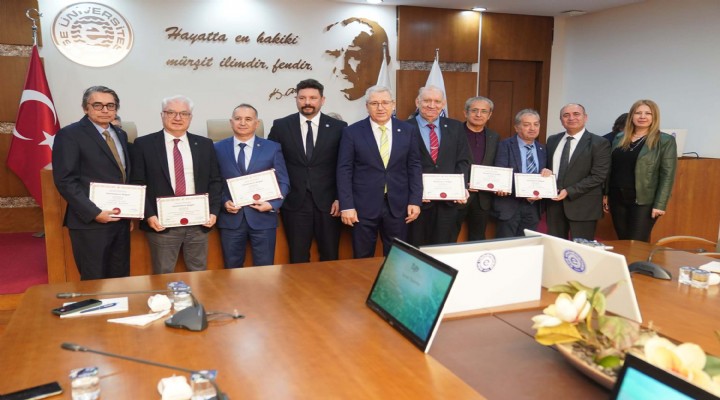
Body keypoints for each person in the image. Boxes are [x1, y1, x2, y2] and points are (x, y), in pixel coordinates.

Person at [130, 95, 222, 274]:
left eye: (184, 113)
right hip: (161, 223)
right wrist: (149, 215)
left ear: (190, 117)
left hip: (199, 222)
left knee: (199, 273)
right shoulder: (144, 144)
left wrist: (213, 211)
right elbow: (138, 183)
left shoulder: (204, 144)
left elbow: (215, 181)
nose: (178, 118)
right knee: (163, 273)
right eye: (171, 112)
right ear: (162, 115)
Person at [52, 86, 131, 280]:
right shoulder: (70, 134)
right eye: (98, 105)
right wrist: (94, 212)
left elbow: (123, 175)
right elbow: (65, 180)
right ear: (85, 108)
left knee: (120, 277)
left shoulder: (120, 134)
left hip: (119, 219)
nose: (105, 110)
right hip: (90, 222)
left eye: (110, 105)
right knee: (94, 279)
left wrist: (129, 212)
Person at [336, 85, 422, 258]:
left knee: (397, 257)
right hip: (362, 207)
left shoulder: (408, 130)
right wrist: (347, 205)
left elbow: (414, 166)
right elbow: (344, 170)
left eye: (385, 103)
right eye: (374, 103)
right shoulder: (352, 132)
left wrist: (415, 200)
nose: (380, 107)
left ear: (393, 104)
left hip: (398, 206)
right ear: (367, 106)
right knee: (362, 257)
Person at [267, 79, 347, 263]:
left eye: (313, 98)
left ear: (322, 100)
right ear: (296, 99)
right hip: (294, 202)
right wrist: (274, 198)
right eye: (302, 98)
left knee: (330, 255)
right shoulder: (281, 126)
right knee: (298, 257)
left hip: (329, 204)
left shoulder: (339, 128)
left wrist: (340, 197)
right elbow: (271, 164)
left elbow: (344, 166)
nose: (307, 102)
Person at [216, 104, 290, 267]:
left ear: (257, 123)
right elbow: (214, 182)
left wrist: (273, 204)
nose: (243, 123)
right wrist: (223, 202)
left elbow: (283, 181)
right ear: (231, 122)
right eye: (238, 118)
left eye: (248, 119)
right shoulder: (217, 148)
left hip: (263, 218)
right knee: (232, 269)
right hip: (231, 219)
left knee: (265, 269)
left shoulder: (272, 148)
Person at [406, 86, 471, 246]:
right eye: (427, 101)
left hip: (448, 203)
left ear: (443, 104)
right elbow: (399, 165)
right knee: (416, 248)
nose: (432, 105)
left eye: (437, 101)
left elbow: (464, 161)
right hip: (417, 203)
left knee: (443, 248)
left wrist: (459, 187)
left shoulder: (456, 127)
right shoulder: (404, 127)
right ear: (417, 102)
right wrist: (415, 193)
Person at [605, 100, 677, 241]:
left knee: (636, 242)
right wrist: (606, 193)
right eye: (638, 113)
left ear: (654, 117)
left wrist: (660, 204)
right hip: (617, 197)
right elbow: (612, 168)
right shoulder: (619, 137)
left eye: (648, 113)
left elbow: (667, 174)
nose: (642, 116)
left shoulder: (665, 140)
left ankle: (639, 258)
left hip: (644, 200)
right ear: (631, 116)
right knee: (623, 241)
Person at [546, 104, 611, 240]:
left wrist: (569, 191)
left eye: (576, 114)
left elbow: (598, 176)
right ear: (561, 120)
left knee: (581, 249)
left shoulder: (599, 143)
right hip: (554, 205)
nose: (571, 118)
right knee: (555, 246)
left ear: (585, 117)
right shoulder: (552, 140)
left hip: (583, 206)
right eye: (566, 115)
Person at [492, 109, 547, 238]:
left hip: (534, 207)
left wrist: (548, 173)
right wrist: (524, 192)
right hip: (510, 206)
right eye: (527, 124)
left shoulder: (543, 149)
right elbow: (501, 175)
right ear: (516, 127)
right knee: (506, 245)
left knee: (527, 245)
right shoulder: (504, 145)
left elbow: (545, 174)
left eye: (536, 124)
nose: (532, 128)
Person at [454, 96, 500, 241]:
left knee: (478, 238)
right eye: (474, 110)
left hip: (483, 198)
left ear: (489, 115)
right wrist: (462, 184)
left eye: (484, 111)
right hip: (458, 195)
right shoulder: (453, 133)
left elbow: (496, 165)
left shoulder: (494, 137)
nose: (479, 115)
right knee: (449, 236)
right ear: (465, 113)